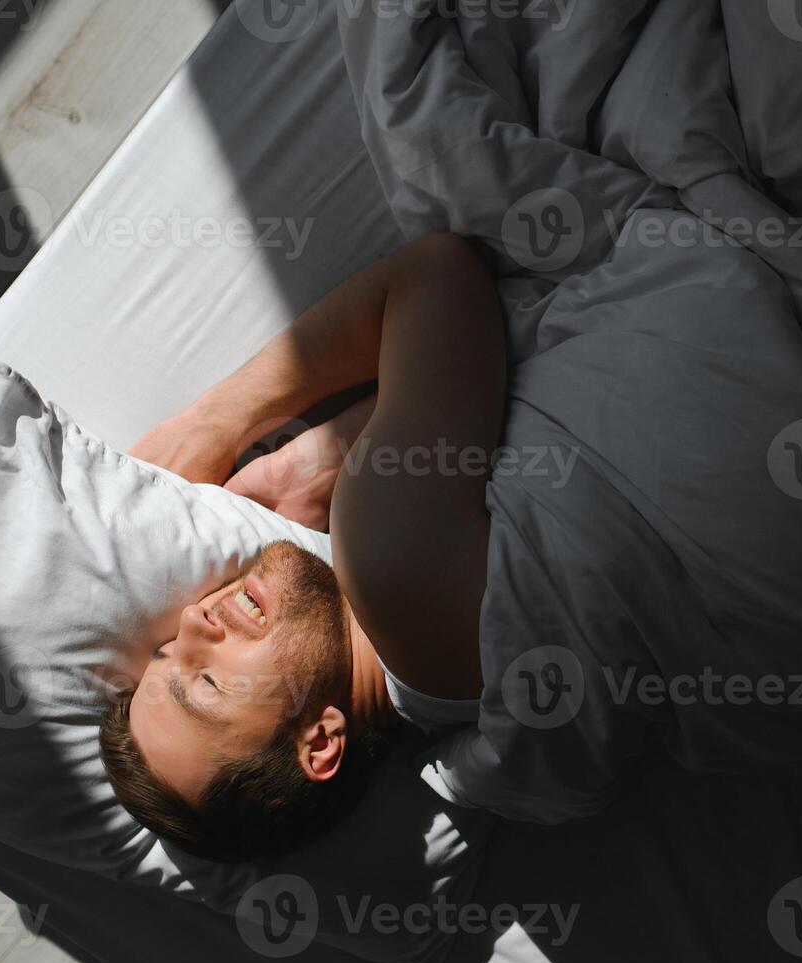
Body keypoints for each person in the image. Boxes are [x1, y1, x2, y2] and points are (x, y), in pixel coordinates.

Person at [100, 233, 505, 862]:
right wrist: (215, 423)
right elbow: (441, 273)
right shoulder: (392, 570)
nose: (191, 620)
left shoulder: (457, 697)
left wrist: (320, 462)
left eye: (166, 650)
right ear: (320, 744)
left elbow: (487, 366)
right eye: (204, 680)